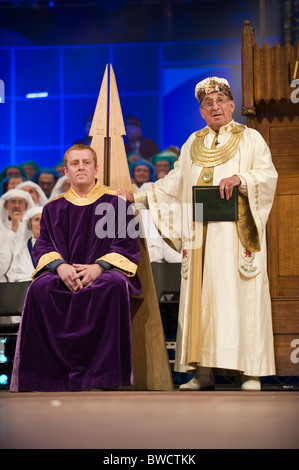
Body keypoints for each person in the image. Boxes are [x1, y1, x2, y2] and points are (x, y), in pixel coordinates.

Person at [120, 77, 278, 391]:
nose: (215, 107)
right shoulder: (194, 142)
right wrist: (137, 197)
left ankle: (250, 372)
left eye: (220, 101)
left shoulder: (251, 138)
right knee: (201, 302)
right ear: (202, 112)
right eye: (208, 104)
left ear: (232, 106)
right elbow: (175, 182)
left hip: (235, 234)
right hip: (200, 235)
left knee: (239, 299)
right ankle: (202, 372)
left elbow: (266, 174)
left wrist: (240, 178)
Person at [10, 143, 141, 392]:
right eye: (75, 163)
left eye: (86, 162)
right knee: (40, 289)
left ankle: (104, 376)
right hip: (64, 272)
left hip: (103, 272)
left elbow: (127, 245)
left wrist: (99, 267)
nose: (81, 167)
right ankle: (47, 376)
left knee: (113, 285)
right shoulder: (53, 208)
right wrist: (59, 267)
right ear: (66, 171)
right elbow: (44, 245)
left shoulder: (117, 205)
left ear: (96, 169)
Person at [6, 206, 42, 283]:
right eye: (37, 219)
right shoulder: (22, 249)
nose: (40, 223)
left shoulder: (59, 246)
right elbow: (13, 275)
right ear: (30, 224)